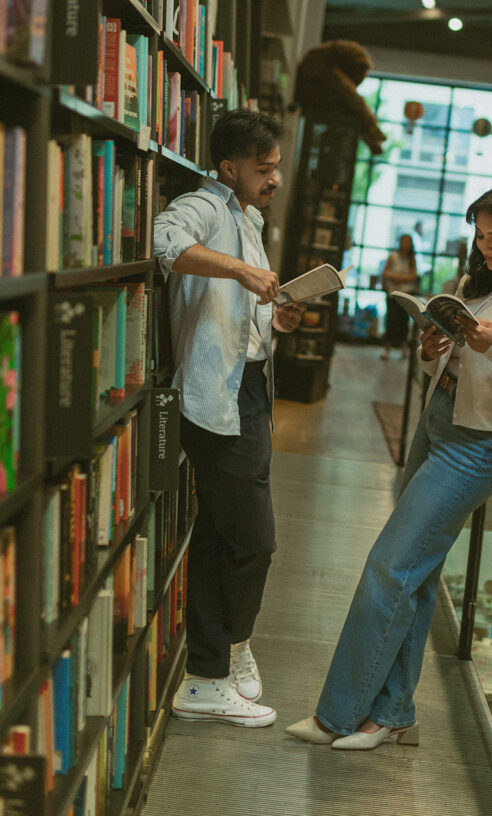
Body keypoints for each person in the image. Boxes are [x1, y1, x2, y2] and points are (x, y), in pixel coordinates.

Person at [286, 182, 492, 750]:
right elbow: (458, 362)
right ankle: (396, 712)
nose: (486, 248)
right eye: (479, 236)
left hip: (477, 446)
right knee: (417, 577)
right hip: (438, 422)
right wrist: (433, 351)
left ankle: (340, 715)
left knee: (388, 566)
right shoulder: (481, 280)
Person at [153, 109, 305, 728]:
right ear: (229, 168)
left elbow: (242, 318)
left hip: (250, 389)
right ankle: (229, 652)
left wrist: (277, 318)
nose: (274, 179)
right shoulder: (207, 207)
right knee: (254, 541)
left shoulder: (248, 216)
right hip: (218, 397)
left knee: (220, 533)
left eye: (275, 167)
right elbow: (165, 242)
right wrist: (242, 269)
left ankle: (207, 673)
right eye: (263, 169)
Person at [380, 234, 418, 359]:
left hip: (406, 294)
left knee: (404, 321)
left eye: (409, 242)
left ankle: (404, 349)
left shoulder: (412, 259)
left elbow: (413, 277)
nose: (406, 245)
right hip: (393, 294)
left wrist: (397, 278)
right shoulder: (393, 256)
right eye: (404, 241)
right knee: (391, 321)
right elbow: (385, 273)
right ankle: (387, 349)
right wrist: (401, 278)